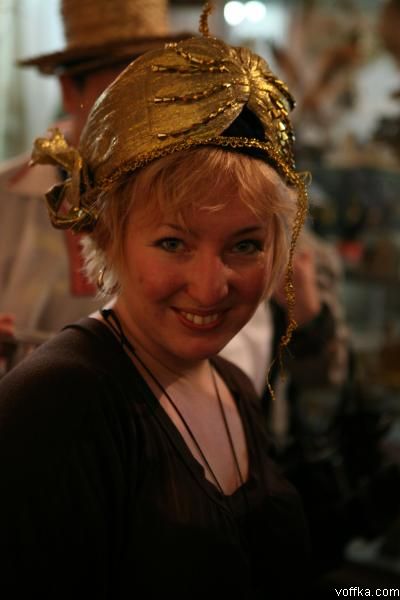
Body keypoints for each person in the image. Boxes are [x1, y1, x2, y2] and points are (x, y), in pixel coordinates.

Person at [0, 4, 311, 598]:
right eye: (173, 243)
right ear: (107, 236)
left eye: (245, 244)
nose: (210, 287)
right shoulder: (56, 409)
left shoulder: (231, 385)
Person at [0, 0, 188, 350]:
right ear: (70, 90)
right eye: (121, 94)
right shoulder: (6, 199)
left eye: (157, 89)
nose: (145, 111)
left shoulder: (194, 189)